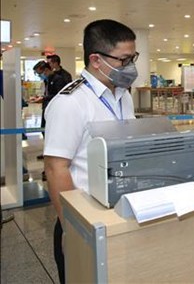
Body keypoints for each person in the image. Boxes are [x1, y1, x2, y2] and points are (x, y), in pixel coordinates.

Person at [43, 19, 138, 284]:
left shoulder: (123, 95)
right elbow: (55, 168)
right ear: (96, 60)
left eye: (133, 58)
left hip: (119, 213)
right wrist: (72, 229)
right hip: (84, 221)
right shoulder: (70, 102)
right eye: (124, 59)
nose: (130, 66)